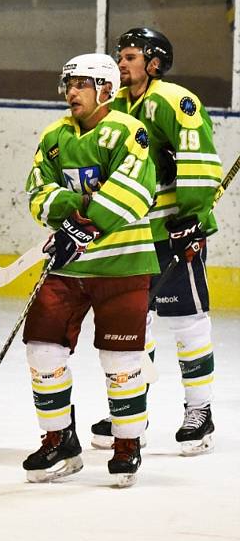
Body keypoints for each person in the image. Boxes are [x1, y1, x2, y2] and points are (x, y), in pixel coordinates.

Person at [21, 54, 159, 487]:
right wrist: (71, 210)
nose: (71, 92)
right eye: (68, 84)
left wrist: (88, 220)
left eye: (81, 84)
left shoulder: (127, 130)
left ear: (104, 89)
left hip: (124, 264)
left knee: (121, 360)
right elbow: (36, 192)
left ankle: (127, 443)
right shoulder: (54, 135)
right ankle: (60, 439)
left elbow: (135, 189)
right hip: (68, 266)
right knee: (42, 350)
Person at [90, 28, 223, 455]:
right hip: (130, 236)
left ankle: (199, 411)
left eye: (129, 56)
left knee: (188, 324)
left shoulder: (174, 101)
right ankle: (132, 414)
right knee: (132, 327)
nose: (121, 63)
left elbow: (198, 162)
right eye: (119, 56)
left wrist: (192, 215)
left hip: (171, 231)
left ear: (154, 62)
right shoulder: (112, 107)